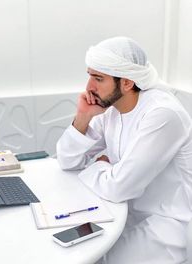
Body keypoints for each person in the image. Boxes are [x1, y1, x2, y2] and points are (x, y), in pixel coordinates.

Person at [56, 36, 192, 263]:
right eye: (89, 76)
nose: (89, 87)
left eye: (99, 78)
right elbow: (67, 160)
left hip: (167, 224)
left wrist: (97, 164)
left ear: (127, 83)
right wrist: (83, 116)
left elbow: (119, 187)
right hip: (123, 212)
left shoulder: (162, 114)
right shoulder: (110, 109)